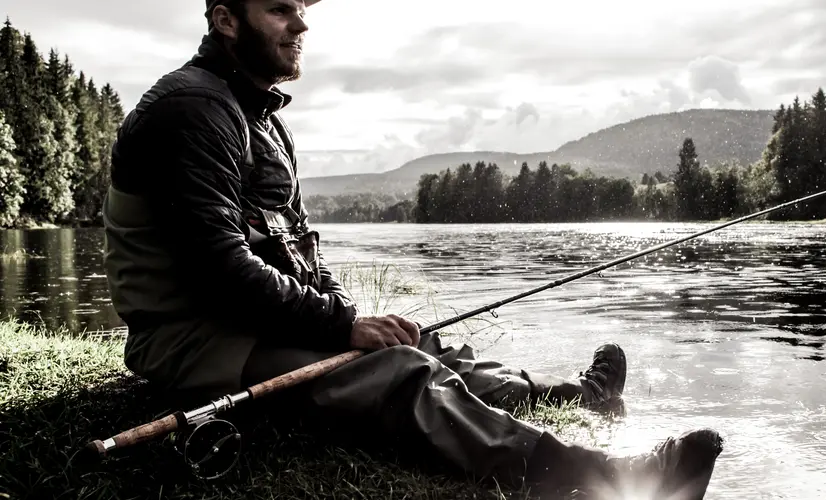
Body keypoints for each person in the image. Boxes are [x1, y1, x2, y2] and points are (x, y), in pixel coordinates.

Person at [100, 0, 724, 497]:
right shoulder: (191, 109)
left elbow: (301, 250)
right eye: (281, 10)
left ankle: (570, 397)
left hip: (245, 321)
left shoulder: (260, 116)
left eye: (303, 10)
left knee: (412, 339)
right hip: (192, 339)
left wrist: (351, 315)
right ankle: (606, 478)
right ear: (225, 19)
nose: (302, 24)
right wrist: (342, 325)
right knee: (396, 372)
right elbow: (217, 267)